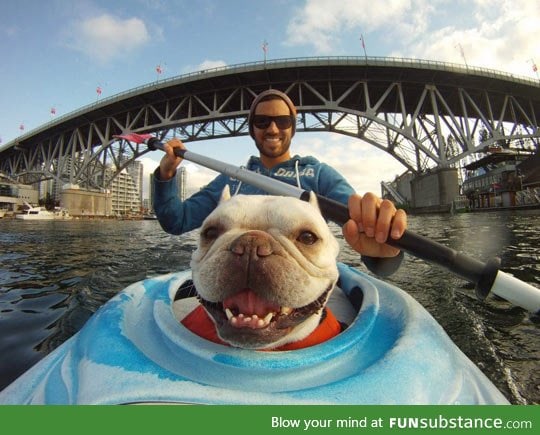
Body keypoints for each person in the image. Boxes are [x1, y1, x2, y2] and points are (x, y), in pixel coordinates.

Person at [153, 89, 407, 276]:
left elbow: (364, 235)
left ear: (292, 128)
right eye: (262, 122)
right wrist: (166, 175)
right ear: (252, 130)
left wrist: (381, 252)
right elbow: (175, 221)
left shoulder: (318, 175)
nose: (273, 129)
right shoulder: (229, 179)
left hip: (295, 284)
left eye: (282, 121)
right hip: (231, 279)